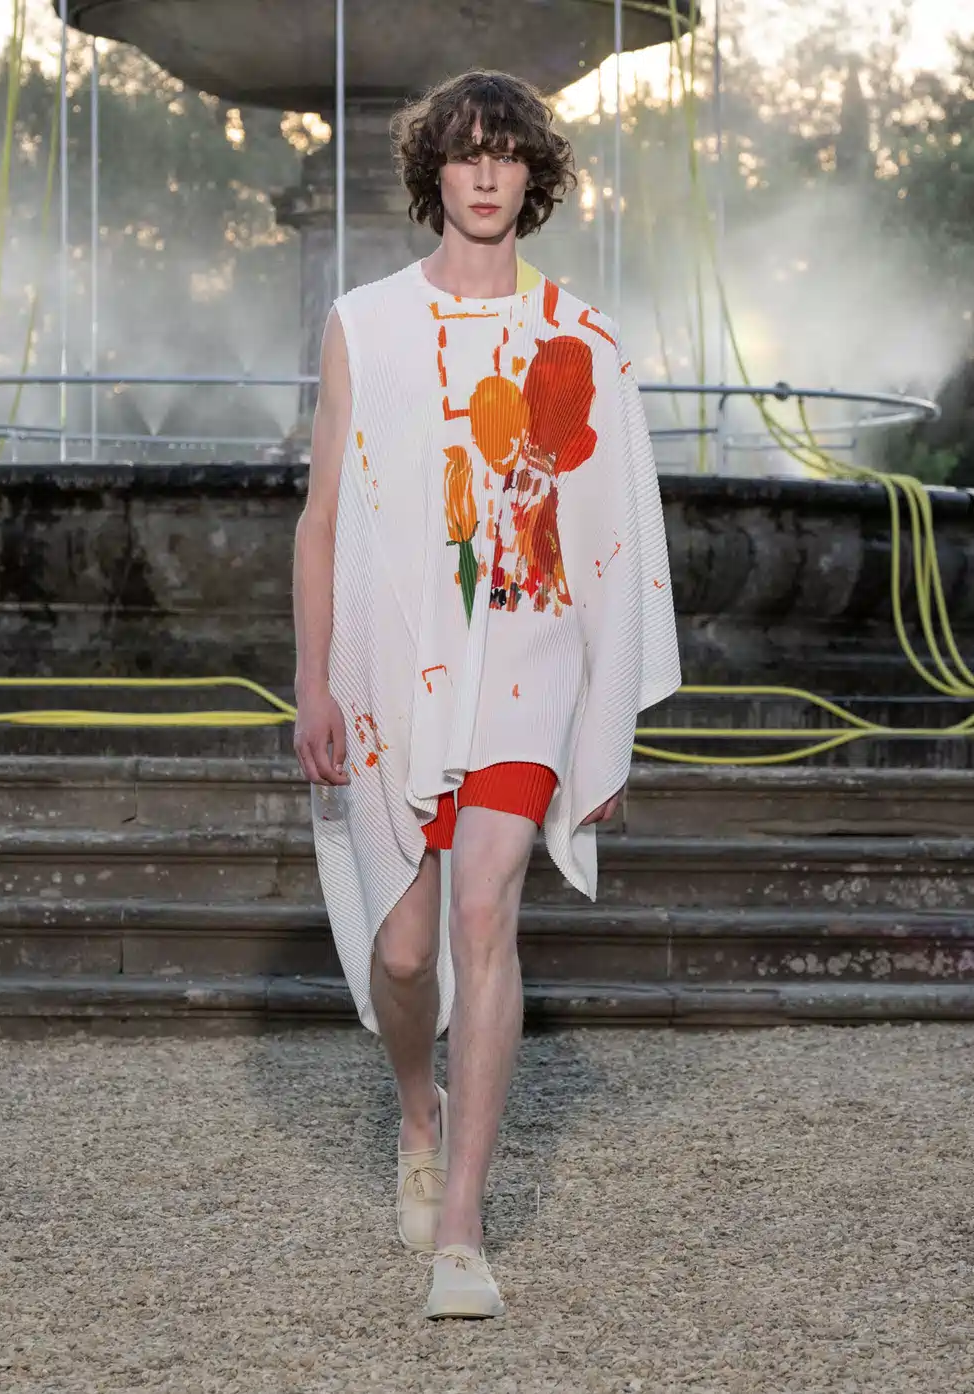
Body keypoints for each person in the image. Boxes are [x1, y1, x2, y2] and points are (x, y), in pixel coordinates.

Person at [291, 68, 681, 1320]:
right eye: (464, 151)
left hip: (527, 656)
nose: (484, 171)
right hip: (393, 673)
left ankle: (462, 1226)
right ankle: (419, 1109)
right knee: (406, 951)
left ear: (533, 176)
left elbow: (616, 532)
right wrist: (311, 677)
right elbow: (324, 518)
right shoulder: (364, 323)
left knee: (482, 913)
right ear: (435, 172)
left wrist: (605, 725)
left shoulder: (583, 339)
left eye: (506, 152)